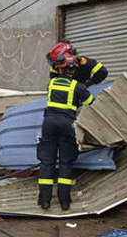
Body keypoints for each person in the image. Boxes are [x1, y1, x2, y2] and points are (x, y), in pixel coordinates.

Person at [37, 51, 94, 212]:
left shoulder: (52, 84)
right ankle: (64, 202)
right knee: (65, 162)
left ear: (60, 69)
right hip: (67, 124)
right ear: (73, 71)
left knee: (47, 162)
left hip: (49, 123)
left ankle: (45, 201)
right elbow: (90, 102)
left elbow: (53, 74)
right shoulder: (76, 86)